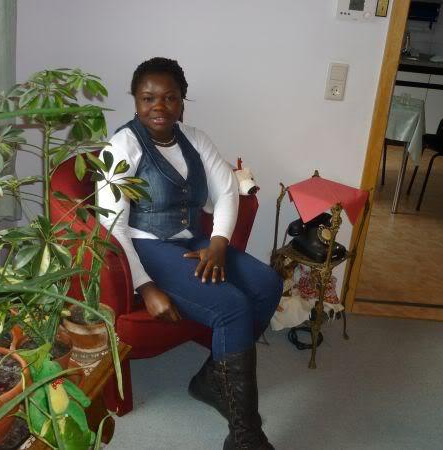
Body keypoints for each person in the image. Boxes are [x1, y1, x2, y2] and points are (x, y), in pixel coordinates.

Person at [98, 57, 282, 450]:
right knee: (231, 306)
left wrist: (219, 242)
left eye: (169, 98)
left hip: (193, 241)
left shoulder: (195, 139)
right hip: (146, 246)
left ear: (182, 101)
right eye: (148, 98)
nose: (158, 107)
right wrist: (145, 286)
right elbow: (112, 225)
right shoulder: (122, 146)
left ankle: (214, 379)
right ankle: (245, 435)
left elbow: (227, 191)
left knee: (267, 284)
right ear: (135, 100)